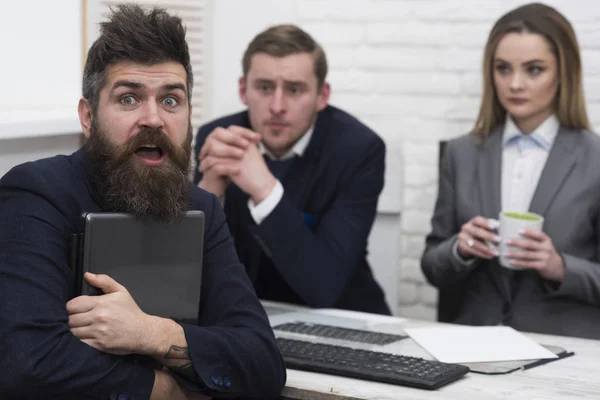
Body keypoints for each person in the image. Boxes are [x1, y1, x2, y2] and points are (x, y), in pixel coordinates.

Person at [0, 5, 286, 400]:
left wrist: (153, 334)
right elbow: (27, 365)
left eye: (171, 101)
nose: (153, 119)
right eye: (129, 98)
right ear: (88, 117)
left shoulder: (202, 207)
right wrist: (167, 390)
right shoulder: (36, 193)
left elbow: (263, 364)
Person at [421, 2, 600, 339]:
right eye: (503, 69)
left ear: (564, 72)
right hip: (476, 343)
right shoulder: (462, 153)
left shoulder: (595, 159)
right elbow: (431, 265)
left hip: (566, 349)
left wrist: (559, 266)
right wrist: (460, 248)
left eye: (534, 69)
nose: (515, 84)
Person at [194, 24, 390, 315]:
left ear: (322, 96)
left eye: (294, 90)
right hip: (249, 318)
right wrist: (209, 196)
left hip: (341, 320)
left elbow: (322, 285)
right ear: (242, 90)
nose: (277, 106)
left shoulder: (359, 150)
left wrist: (265, 191)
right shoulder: (218, 137)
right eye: (264, 87)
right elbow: (190, 274)